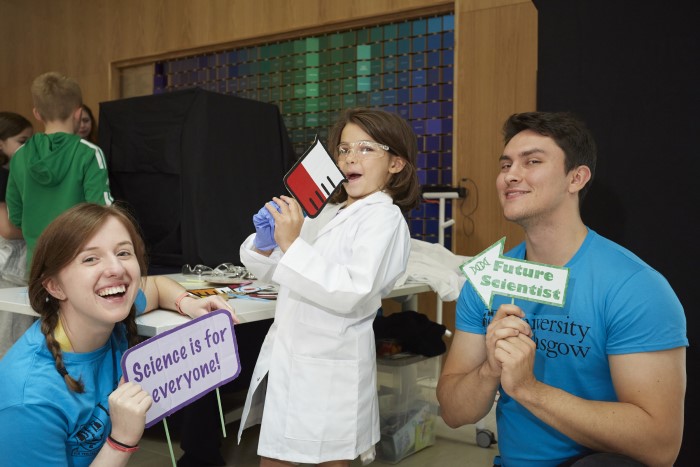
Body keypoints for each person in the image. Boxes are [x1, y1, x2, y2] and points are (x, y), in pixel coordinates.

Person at [437, 111, 687, 466]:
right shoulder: (487, 279)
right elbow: (451, 411)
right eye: (506, 164)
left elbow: (660, 445)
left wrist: (528, 389)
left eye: (532, 162)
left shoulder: (635, 288)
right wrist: (489, 370)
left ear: (576, 178)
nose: (511, 175)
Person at [236, 107, 421, 466]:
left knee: (324, 458)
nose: (351, 157)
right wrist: (264, 243)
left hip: (330, 374)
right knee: (275, 458)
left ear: (395, 164)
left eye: (366, 149)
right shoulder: (326, 213)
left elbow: (351, 290)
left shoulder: (384, 217)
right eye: (344, 149)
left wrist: (290, 244)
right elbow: (277, 270)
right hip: (293, 362)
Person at [0, 203, 237, 466]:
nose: (116, 269)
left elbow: (156, 286)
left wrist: (189, 303)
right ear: (55, 286)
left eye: (124, 253)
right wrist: (121, 440)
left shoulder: (105, 309)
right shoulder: (29, 399)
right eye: (90, 258)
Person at [5, 71, 113, 269]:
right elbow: (103, 210)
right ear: (78, 113)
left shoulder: (19, 155)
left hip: (36, 266)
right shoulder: (89, 153)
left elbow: (15, 216)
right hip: (81, 265)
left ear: (37, 113)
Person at [0, 112, 33, 359]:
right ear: (1, 143)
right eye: (21, 141)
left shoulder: (19, 172)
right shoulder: (3, 175)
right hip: (8, 266)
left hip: (17, 266)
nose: (27, 148)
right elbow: (8, 229)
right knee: (10, 342)